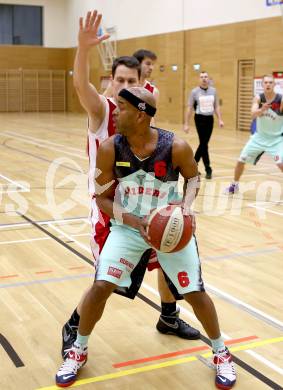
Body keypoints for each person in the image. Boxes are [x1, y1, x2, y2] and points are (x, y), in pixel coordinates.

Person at [55, 87, 236, 390]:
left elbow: (193, 178)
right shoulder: (111, 148)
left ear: (140, 114)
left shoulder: (175, 146)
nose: (115, 111)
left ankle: (221, 352)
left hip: (171, 230)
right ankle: (78, 349)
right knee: (101, 286)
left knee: (194, 291)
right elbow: (101, 198)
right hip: (128, 228)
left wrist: (186, 207)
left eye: (121, 107)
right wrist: (133, 220)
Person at [61, 10, 200, 360]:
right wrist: (82, 48)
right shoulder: (103, 110)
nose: (125, 87)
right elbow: (81, 85)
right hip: (110, 209)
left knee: (167, 254)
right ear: (110, 81)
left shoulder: (140, 111)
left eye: (131, 81)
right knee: (105, 282)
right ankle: (75, 327)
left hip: (146, 204)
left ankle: (169, 318)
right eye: (119, 80)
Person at [226, 74, 283, 194]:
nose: (268, 84)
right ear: (262, 85)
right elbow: (252, 114)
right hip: (259, 138)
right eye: (266, 82)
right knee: (241, 160)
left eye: (270, 82)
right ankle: (234, 185)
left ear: (274, 85)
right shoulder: (258, 98)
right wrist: (262, 110)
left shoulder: (280, 99)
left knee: (280, 163)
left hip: (276, 140)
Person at [183, 71, 224, 179]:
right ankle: (208, 169)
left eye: (206, 77)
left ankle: (194, 165)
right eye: (202, 77)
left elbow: (216, 107)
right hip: (199, 119)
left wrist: (220, 119)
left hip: (209, 119)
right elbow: (189, 107)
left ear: (208, 79)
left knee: (203, 144)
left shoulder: (213, 91)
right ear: (199, 79)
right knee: (204, 143)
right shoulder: (194, 92)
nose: (204, 79)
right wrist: (186, 123)